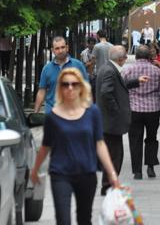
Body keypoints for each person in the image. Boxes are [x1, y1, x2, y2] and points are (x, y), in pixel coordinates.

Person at [30, 68, 120, 225]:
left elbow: (99, 143)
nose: (70, 88)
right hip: (60, 174)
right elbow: (45, 147)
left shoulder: (92, 113)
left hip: (87, 172)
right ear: (60, 88)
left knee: (84, 219)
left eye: (74, 84)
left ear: (81, 86)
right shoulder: (53, 116)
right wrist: (35, 170)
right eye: (65, 84)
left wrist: (111, 173)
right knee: (63, 219)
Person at [95, 45, 147, 195]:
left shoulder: (108, 69)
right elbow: (106, 93)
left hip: (109, 122)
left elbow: (119, 86)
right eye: (125, 57)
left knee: (114, 154)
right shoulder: (110, 71)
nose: (125, 60)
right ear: (120, 59)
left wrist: (136, 81)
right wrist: (116, 113)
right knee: (115, 156)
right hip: (110, 123)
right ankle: (108, 186)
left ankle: (109, 184)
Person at [122, 45, 160, 180]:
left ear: (136, 56)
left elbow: (121, 88)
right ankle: (150, 166)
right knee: (151, 138)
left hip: (134, 110)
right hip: (152, 110)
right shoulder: (156, 71)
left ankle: (137, 171)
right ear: (149, 56)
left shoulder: (127, 70)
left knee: (135, 140)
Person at [35, 36, 89, 114]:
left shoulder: (78, 65)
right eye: (57, 48)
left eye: (63, 47)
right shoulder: (46, 69)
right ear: (52, 50)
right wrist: (35, 113)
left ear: (67, 48)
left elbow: (86, 88)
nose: (60, 51)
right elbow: (41, 91)